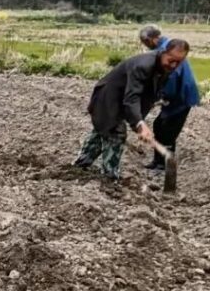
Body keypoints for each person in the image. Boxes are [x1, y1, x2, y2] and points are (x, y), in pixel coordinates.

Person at [74, 40, 191, 180]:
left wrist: (139, 123)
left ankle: (80, 165)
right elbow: (132, 98)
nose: (174, 65)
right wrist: (140, 123)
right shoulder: (144, 65)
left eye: (179, 62)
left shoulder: (166, 67)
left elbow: (150, 93)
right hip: (108, 98)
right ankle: (109, 179)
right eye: (171, 60)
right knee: (116, 132)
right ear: (163, 52)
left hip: (123, 99)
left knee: (103, 130)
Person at [138, 24, 201, 173]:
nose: (145, 45)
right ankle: (157, 161)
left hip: (180, 97)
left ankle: (164, 167)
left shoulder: (168, 52)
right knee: (159, 126)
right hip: (175, 96)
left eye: (145, 41)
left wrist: (160, 96)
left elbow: (170, 78)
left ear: (154, 39)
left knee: (167, 132)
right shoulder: (166, 47)